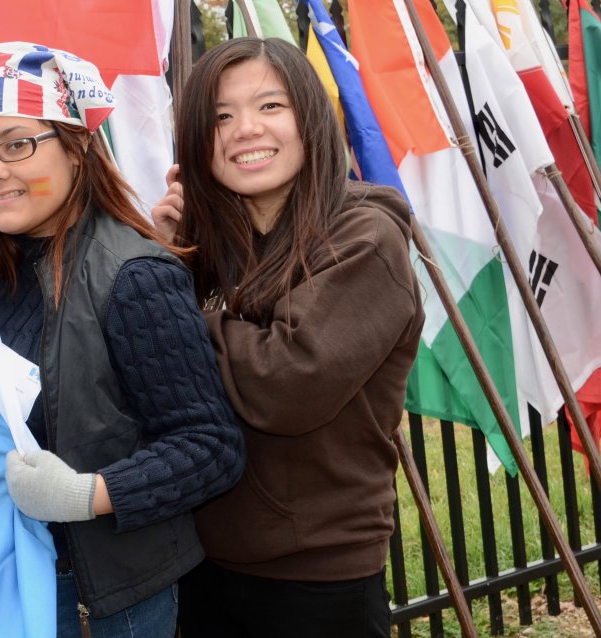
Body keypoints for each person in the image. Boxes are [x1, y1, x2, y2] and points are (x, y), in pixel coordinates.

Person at [0, 42, 245, 637]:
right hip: (5, 577)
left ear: (77, 149)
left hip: (109, 600)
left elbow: (212, 445)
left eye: (17, 144)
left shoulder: (134, 275)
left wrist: (93, 494)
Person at [161, 38, 424, 637]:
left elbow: (286, 383)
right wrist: (162, 260)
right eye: (221, 116)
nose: (244, 130)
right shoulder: (206, 245)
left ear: (309, 117)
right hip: (201, 566)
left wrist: (172, 308)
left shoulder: (363, 238)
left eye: (270, 107)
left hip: (316, 580)